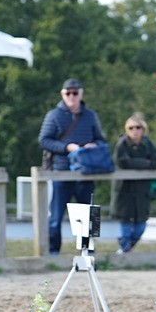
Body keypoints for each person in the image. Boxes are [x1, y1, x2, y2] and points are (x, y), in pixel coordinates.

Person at [38, 78, 105, 255]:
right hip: (61, 171)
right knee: (56, 216)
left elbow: (100, 139)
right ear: (63, 94)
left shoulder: (90, 115)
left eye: (75, 92)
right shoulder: (54, 115)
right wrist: (67, 148)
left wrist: (93, 145)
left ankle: (87, 253)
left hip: (85, 171)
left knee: (87, 215)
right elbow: (44, 140)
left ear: (81, 94)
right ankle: (53, 253)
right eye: (68, 93)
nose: (72, 96)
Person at [113, 113, 156, 253]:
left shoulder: (148, 144)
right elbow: (122, 162)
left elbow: (155, 163)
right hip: (125, 191)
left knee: (141, 227)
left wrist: (136, 164)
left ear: (143, 129)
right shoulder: (122, 144)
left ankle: (126, 251)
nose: (135, 130)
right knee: (125, 226)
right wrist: (144, 163)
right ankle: (124, 253)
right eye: (131, 127)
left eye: (138, 127)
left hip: (142, 191)